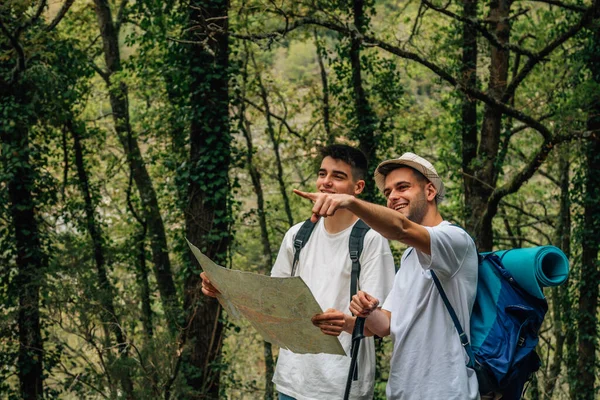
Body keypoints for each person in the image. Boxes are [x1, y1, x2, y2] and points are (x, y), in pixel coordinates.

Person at [201, 144, 396, 400]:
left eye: (338, 176)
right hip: (291, 381)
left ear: (357, 188)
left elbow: (382, 323)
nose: (326, 182)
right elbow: (271, 302)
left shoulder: (371, 240)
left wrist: (348, 323)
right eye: (322, 173)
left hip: (341, 386)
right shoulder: (297, 236)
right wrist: (224, 290)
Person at [294, 152, 479, 399]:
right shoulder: (410, 257)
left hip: (446, 390)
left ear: (430, 192)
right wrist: (356, 318)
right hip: (404, 391)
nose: (393, 197)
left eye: (402, 187)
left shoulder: (455, 241)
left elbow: (400, 229)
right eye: (388, 192)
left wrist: (349, 202)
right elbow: (387, 325)